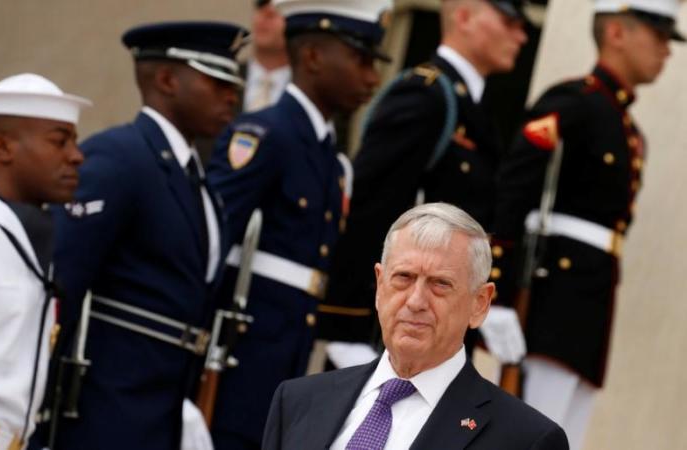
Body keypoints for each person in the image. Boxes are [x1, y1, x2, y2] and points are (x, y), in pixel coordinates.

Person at [491, 1, 683, 448]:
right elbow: (514, 191)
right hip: (552, 299)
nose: (666, 51)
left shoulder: (627, 128)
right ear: (616, 32)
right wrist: (496, 289)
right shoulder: (573, 104)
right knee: (532, 432)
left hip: (590, 306)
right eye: (656, 36)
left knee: (566, 437)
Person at [50, 22, 247, 450]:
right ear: (166, 80)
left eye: (233, 83)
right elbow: (64, 284)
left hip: (163, 411)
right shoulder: (119, 157)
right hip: (101, 408)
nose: (232, 95)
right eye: (217, 82)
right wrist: (44, 405)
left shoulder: (199, 180)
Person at [205, 0, 390, 447]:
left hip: (285, 356)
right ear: (312, 58)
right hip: (238, 359)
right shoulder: (266, 135)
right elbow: (209, 246)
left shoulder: (329, 157)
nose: (372, 78)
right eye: (361, 60)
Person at [318, 0, 530, 367]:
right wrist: (345, 327)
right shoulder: (426, 94)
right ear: (464, 16)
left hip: (438, 330)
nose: (521, 35)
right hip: (389, 332)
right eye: (509, 21)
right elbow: (370, 210)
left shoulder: (476, 108)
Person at [263, 202, 569, 450]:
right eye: (404, 278)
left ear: (479, 304)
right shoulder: (297, 401)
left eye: (440, 284)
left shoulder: (526, 440)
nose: (415, 301)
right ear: (380, 285)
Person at [0, 73, 89, 449]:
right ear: (2, 147)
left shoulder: (27, 234)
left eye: (75, 141)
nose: (76, 155)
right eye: (59, 141)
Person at [243, 0, 291, 112]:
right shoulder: (226, 79)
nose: (265, 16)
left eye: (277, 11)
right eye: (260, 9)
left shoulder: (308, 88)